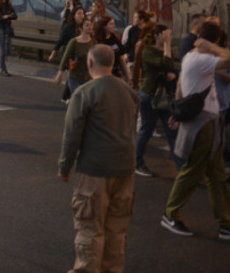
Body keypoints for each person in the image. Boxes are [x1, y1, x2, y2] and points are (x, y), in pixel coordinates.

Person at [57, 44, 138, 273]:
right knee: (117, 232)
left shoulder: (85, 93)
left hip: (95, 170)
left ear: (90, 63)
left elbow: (72, 134)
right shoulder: (129, 92)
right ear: (112, 63)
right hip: (125, 169)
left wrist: (65, 166)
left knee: (90, 230)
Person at [162, 22, 230, 240]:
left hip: (208, 120)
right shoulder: (201, 58)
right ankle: (170, 214)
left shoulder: (191, 57)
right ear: (215, 41)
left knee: (216, 174)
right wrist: (212, 46)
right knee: (193, 171)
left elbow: (181, 82)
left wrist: (179, 110)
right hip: (203, 123)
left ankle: (225, 222)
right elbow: (228, 57)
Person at [134, 23, 183, 177]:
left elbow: (170, 67)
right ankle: (137, 162)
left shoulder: (164, 51)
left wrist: (171, 73)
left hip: (164, 96)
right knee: (146, 130)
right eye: (166, 34)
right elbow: (167, 64)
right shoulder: (148, 51)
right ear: (157, 36)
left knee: (172, 131)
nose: (169, 37)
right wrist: (168, 45)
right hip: (150, 95)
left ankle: (182, 169)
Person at [54, 18, 96, 95]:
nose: (90, 27)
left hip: (89, 78)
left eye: (91, 25)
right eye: (87, 25)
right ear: (80, 28)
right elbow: (65, 58)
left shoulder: (94, 42)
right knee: (79, 99)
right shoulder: (74, 42)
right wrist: (60, 74)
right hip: (75, 77)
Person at [0, 0, 17, 76]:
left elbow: (15, 16)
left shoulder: (9, 5)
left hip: (7, 29)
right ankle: (3, 69)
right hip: (0, 29)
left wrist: (7, 16)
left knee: (8, 50)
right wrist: (7, 16)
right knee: (2, 49)